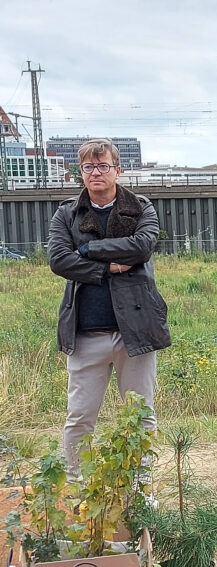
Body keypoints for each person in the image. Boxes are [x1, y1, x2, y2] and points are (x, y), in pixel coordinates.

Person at [47, 138, 170, 478]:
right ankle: (77, 488)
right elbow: (58, 259)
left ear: (118, 170)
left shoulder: (141, 206)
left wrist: (86, 250)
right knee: (80, 417)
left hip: (136, 331)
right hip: (86, 333)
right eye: (88, 167)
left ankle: (140, 491)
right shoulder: (67, 213)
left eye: (103, 166)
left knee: (140, 415)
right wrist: (107, 268)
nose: (96, 172)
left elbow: (142, 247)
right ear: (81, 173)